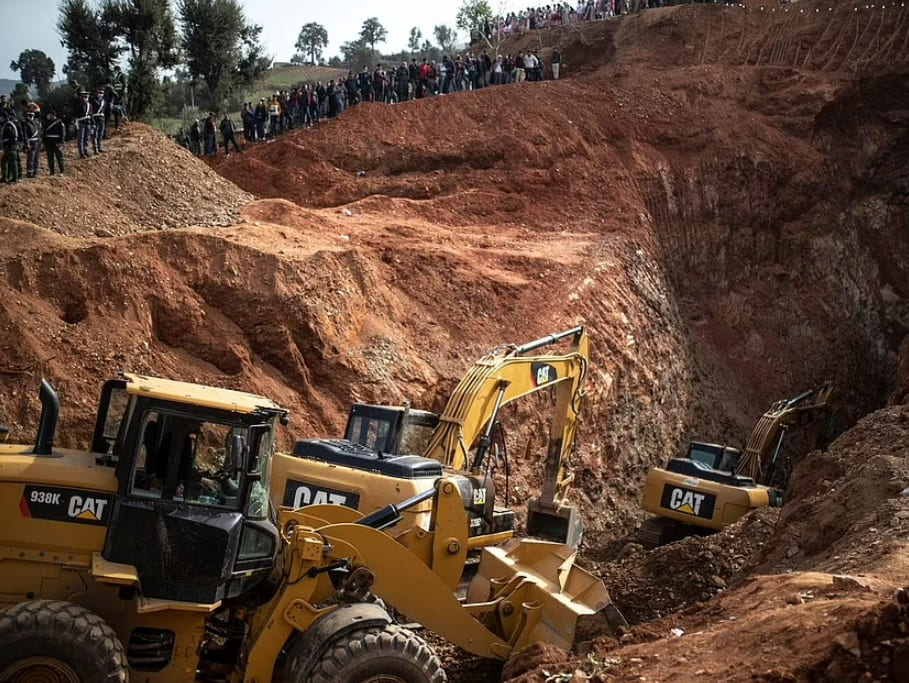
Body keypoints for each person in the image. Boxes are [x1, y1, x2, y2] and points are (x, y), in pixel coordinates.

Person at [1, 112, 21, 183]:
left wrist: (8, 145)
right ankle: (5, 177)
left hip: (11, 146)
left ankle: (15, 179)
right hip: (9, 146)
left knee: (13, 162)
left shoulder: (9, 125)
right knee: (4, 161)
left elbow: (13, 136)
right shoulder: (7, 124)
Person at [42, 110, 65, 175]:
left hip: (57, 142)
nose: (48, 116)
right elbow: (44, 133)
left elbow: (62, 133)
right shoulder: (46, 122)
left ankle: (61, 171)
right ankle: (52, 172)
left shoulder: (59, 122)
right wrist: (44, 142)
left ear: (52, 115)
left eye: (49, 115)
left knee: (59, 157)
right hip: (48, 142)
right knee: (50, 158)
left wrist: (61, 142)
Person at [21, 110, 41, 177]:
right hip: (31, 142)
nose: (27, 117)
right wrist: (27, 144)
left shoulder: (36, 122)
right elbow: (25, 135)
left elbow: (39, 133)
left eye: (28, 116)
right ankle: (30, 172)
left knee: (36, 158)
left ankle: (35, 171)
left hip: (37, 142)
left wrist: (40, 142)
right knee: (30, 158)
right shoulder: (26, 124)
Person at [75, 90, 92, 158]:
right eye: (84, 96)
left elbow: (91, 114)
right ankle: (81, 153)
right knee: (81, 138)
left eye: (87, 96)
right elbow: (75, 113)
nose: (86, 98)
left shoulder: (89, 105)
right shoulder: (78, 104)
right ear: (82, 97)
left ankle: (85, 151)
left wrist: (93, 123)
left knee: (86, 138)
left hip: (88, 122)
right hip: (81, 122)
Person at [91, 88, 106, 153]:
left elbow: (104, 110)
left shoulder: (103, 101)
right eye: (99, 92)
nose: (100, 94)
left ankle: (99, 147)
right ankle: (95, 149)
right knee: (95, 135)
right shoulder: (93, 100)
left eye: (102, 93)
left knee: (100, 134)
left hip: (102, 119)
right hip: (95, 118)